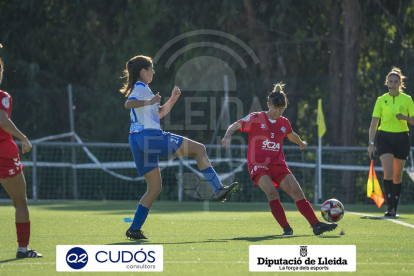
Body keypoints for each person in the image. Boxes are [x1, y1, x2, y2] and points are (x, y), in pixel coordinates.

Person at [120, 55, 239, 240]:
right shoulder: (141, 88)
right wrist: (149, 102)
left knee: (154, 188)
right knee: (199, 149)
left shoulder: (144, 89)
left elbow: (158, 114)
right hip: (149, 137)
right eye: (151, 68)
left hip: (136, 140)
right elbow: (128, 103)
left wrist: (173, 99)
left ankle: (134, 228)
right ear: (143, 71)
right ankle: (218, 189)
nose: (153, 71)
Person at [221, 82, 337, 235]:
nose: (278, 111)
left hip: (278, 163)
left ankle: (316, 225)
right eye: (275, 108)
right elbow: (236, 125)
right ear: (268, 105)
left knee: (297, 192)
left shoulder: (284, 122)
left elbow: (291, 135)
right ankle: (286, 228)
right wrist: (226, 137)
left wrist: (301, 143)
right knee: (271, 192)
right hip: (258, 164)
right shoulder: (256, 117)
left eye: (281, 108)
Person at [0, 58, 42, 258]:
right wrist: (23, 137)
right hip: (3, 154)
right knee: (20, 202)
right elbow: (3, 121)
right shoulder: (2, 96)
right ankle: (23, 249)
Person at [368, 68, 414, 218]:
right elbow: (374, 123)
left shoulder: (407, 99)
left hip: (402, 138)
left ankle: (395, 207)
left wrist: (405, 117)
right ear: (386, 83)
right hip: (384, 138)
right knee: (388, 171)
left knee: (398, 174)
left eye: (396, 81)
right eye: (391, 81)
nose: (393, 84)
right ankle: (389, 207)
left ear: (400, 83)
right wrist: (371, 143)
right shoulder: (381, 100)